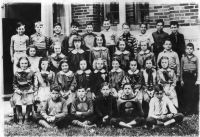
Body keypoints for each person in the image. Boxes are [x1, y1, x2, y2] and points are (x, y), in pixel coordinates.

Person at [11, 57, 35, 124]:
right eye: (22, 63)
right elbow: (14, 83)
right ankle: (20, 116)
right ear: (19, 64)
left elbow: (33, 83)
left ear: (28, 64)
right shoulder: (16, 73)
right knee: (17, 99)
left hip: (29, 90)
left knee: (30, 99)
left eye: (25, 63)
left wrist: (31, 89)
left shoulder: (31, 72)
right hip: (19, 90)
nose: (24, 65)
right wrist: (17, 90)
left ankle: (27, 116)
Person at [181, 43, 199, 114]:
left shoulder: (195, 58)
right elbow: (181, 69)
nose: (189, 50)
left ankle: (192, 110)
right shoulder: (183, 58)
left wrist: (197, 79)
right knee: (186, 93)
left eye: (191, 49)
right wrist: (181, 79)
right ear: (185, 50)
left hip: (192, 76)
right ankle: (186, 110)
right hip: (185, 76)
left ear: (193, 50)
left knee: (192, 93)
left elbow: (197, 69)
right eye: (188, 49)